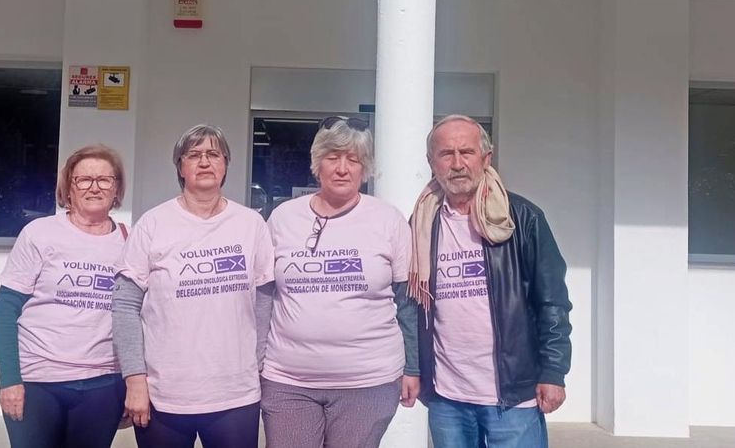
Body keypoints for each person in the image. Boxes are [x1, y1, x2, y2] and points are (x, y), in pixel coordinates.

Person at [409, 115, 572, 448]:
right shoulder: (421, 224)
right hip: (447, 396)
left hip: (513, 397)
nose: (457, 164)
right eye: (446, 154)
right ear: (431, 162)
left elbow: (552, 302)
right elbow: (410, 305)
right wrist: (413, 368)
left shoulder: (522, 218)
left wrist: (553, 373)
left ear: (486, 158)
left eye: (466, 152)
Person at [260, 116, 419, 448]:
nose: (343, 168)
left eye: (354, 159)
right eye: (333, 158)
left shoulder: (388, 221)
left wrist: (413, 368)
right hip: (288, 380)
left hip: (368, 382)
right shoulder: (283, 218)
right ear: (317, 164)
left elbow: (407, 303)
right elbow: (263, 298)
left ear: (366, 169)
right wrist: (254, 361)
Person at [111, 124, 274, 448]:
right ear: (180, 167)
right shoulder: (153, 224)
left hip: (235, 396)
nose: (204, 162)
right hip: (164, 395)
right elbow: (125, 306)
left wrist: (254, 366)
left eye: (213, 154)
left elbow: (264, 301)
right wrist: (135, 379)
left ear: (225, 164)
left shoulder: (251, 225)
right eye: (194, 155)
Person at [0, 144, 130, 448]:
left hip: (103, 385)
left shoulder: (128, 241)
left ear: (116, 188)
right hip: (38, 382)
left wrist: (133, 384)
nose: (95, 187)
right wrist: (10, 380)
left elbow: (139, 318)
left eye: (105, 179)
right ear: (69, 186)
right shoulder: (40, 234)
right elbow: (4, 311)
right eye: (84, 179)